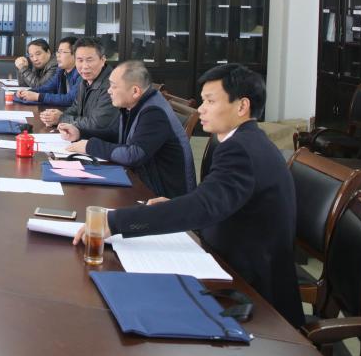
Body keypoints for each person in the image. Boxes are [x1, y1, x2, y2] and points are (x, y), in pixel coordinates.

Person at [72, 64, 304, 328]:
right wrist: (175, 204)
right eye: (202, 101)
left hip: (253, 292)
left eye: (210, 101)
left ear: (242, 106)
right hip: (228, 259)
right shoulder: (242, 141)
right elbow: (216, 199)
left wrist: (115, 222)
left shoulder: (241, 149)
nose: (201, 109)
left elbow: (203, 206)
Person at [59, 60, 195, 198]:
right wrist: (80, 133)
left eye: (113, 86)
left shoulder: (154, 113)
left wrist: (90, 146)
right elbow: (116, 134)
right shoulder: (135, 104)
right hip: (141, 178)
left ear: (135, 91)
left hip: (162, 195)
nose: (109, 91)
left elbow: (133, 155)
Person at [39, 37, 118, 133]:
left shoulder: (112, 86)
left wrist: (61, 118)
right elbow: (76, 107)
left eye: (89, 60)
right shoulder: (84, 80)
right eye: (80, 60)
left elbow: (97, 124)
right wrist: (55, 116)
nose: (84, 66)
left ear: (103, 60)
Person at [16, 36, 80, 107]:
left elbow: (70, 99)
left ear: (75, 54)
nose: (58, 55)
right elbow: (47, 87)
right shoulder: (61, 70)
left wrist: (38, 96)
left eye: (62, 52)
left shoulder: (81, 73)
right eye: (58, 52)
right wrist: (26, 92)